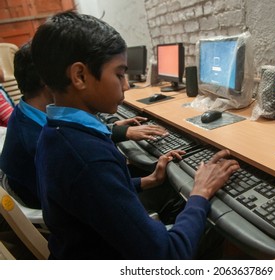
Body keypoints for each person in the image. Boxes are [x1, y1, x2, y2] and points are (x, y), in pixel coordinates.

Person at [31, 11, 239, 259]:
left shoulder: (54, 131)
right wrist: (200, 192)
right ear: (80, 76)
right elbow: (168, 256)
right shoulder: (87, 158)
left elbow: (92, 194)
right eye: (119, 74)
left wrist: (146, 181)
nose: (127, 85)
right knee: (222, 230)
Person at [0, 43, 168, 209]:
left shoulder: (24, 114)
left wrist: (117, 130)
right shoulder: (41, 142)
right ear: (47, 79)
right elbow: (95, 191)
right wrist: (149, 181)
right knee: (171, 194)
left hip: (62, 196)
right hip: (79, 209)